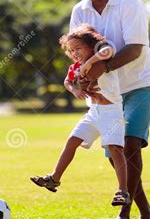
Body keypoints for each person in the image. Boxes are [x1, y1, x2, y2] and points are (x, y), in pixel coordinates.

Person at [70, 0, 150, 219]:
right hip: (107, 93)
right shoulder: (80, 11)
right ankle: (146, 214)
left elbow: (135, 49)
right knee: (115, 154)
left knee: (130, 144)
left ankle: (122, 217)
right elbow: (76, 52)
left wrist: (101, 68)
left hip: (140, 84)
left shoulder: (129, 4)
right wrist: (78, 80)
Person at [30, 24, 131, 207]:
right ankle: (54, 178)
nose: (74, 53)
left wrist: (91, 61)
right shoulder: (75, 66)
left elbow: (109, 49)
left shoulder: (102, 59)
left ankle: (123, 191)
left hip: (111, 112)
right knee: (72, 141)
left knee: (115, 150)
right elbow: (67, 81)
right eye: (71, 50)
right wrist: (74, 89)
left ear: (91, 46)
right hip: (93, 112)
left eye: (78, 48)